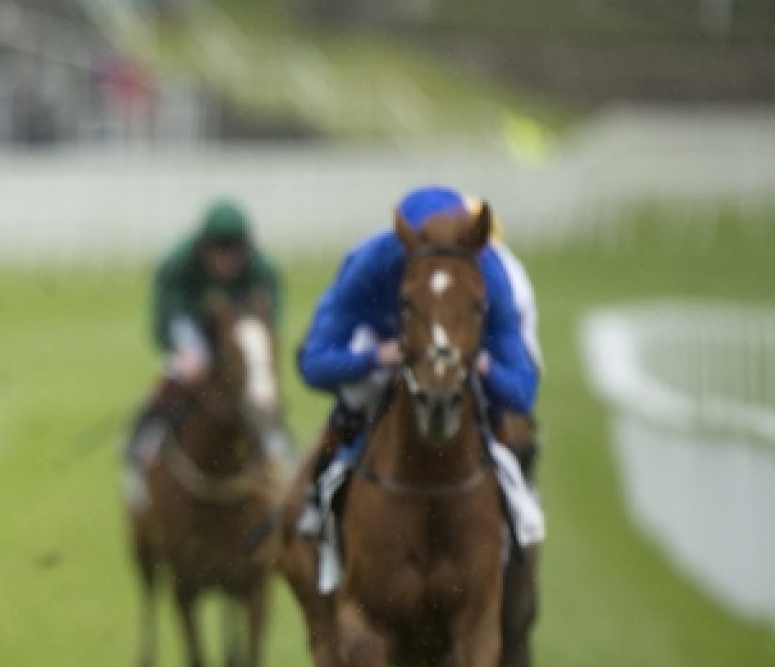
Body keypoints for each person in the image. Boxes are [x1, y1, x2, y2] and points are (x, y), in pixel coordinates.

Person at [294, 185, 542, 564]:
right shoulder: (369, 262)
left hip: (459, 355)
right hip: (386, 345)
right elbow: (314, 363)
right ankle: (319, 504)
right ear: (403, 246)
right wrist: (375, 357)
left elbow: (523, 392)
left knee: (503, 417)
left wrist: (483, 365)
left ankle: (516, 517)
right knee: (358, 397)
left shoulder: (490, 272)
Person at [130, 199, 286, 464]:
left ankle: (277, 446)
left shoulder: (262, 271)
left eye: (233, 251)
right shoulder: (178, 265)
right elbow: (165, 321)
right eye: (219, 251)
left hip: (240, 333)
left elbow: (269, 326)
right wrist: (183, 354)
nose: (226, 259)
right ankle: (144, 442)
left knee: (258, 387)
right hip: (193, 330)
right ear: (204, 247)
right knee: (176, 379)